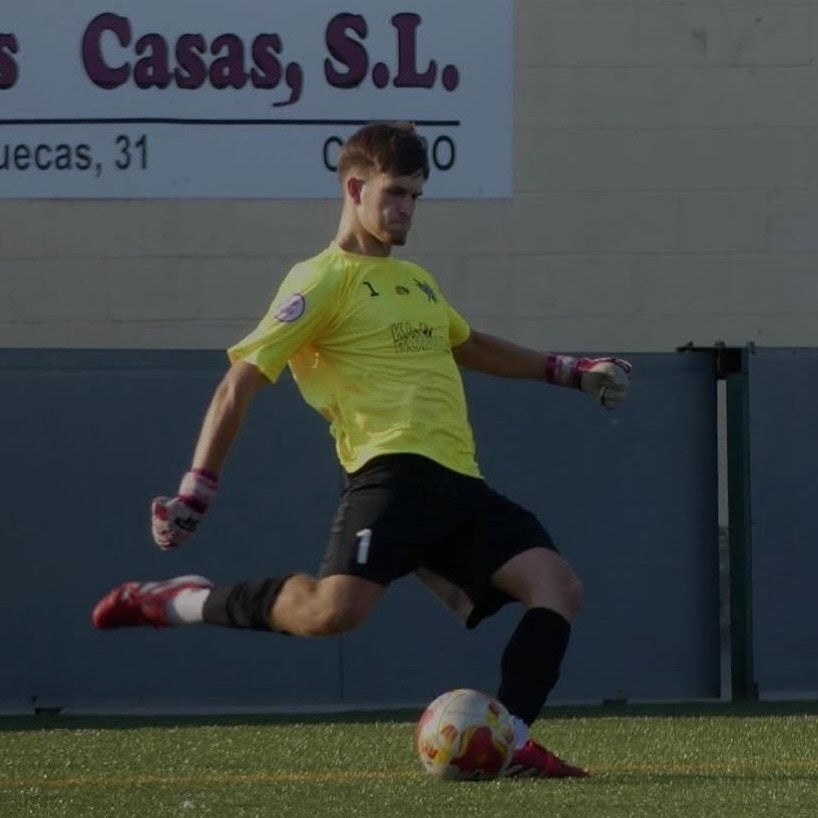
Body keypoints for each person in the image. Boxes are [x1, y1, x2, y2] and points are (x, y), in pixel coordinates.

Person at [92, 121, 631, 778]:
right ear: (355, 187)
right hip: (390, 476)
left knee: (557, 585)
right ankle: (181, 600)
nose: (406, 209)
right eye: (396, 192)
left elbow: (469, 345)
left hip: (461, 482)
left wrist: (571, 371)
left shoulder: (417, 283)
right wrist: (195, 490)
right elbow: (241, 380)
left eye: (415, 197)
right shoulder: (321, 279)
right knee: (331, 613)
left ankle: (509, 741)